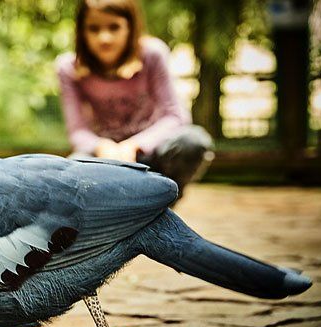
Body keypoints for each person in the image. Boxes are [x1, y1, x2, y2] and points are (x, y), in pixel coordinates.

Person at [57, 0, 213, 198]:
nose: (104, 38)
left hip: (152, 152)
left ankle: (164, 201)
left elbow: (176, 116)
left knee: (193, 141)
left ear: (130, 27)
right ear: (81, 31)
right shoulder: (68, 68)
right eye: (93, 29)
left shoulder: (152, 54)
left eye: (114, 27)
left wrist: (135, 145)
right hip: (103, 158)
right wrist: (102, 146)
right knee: (67, 175)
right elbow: (77, 131)